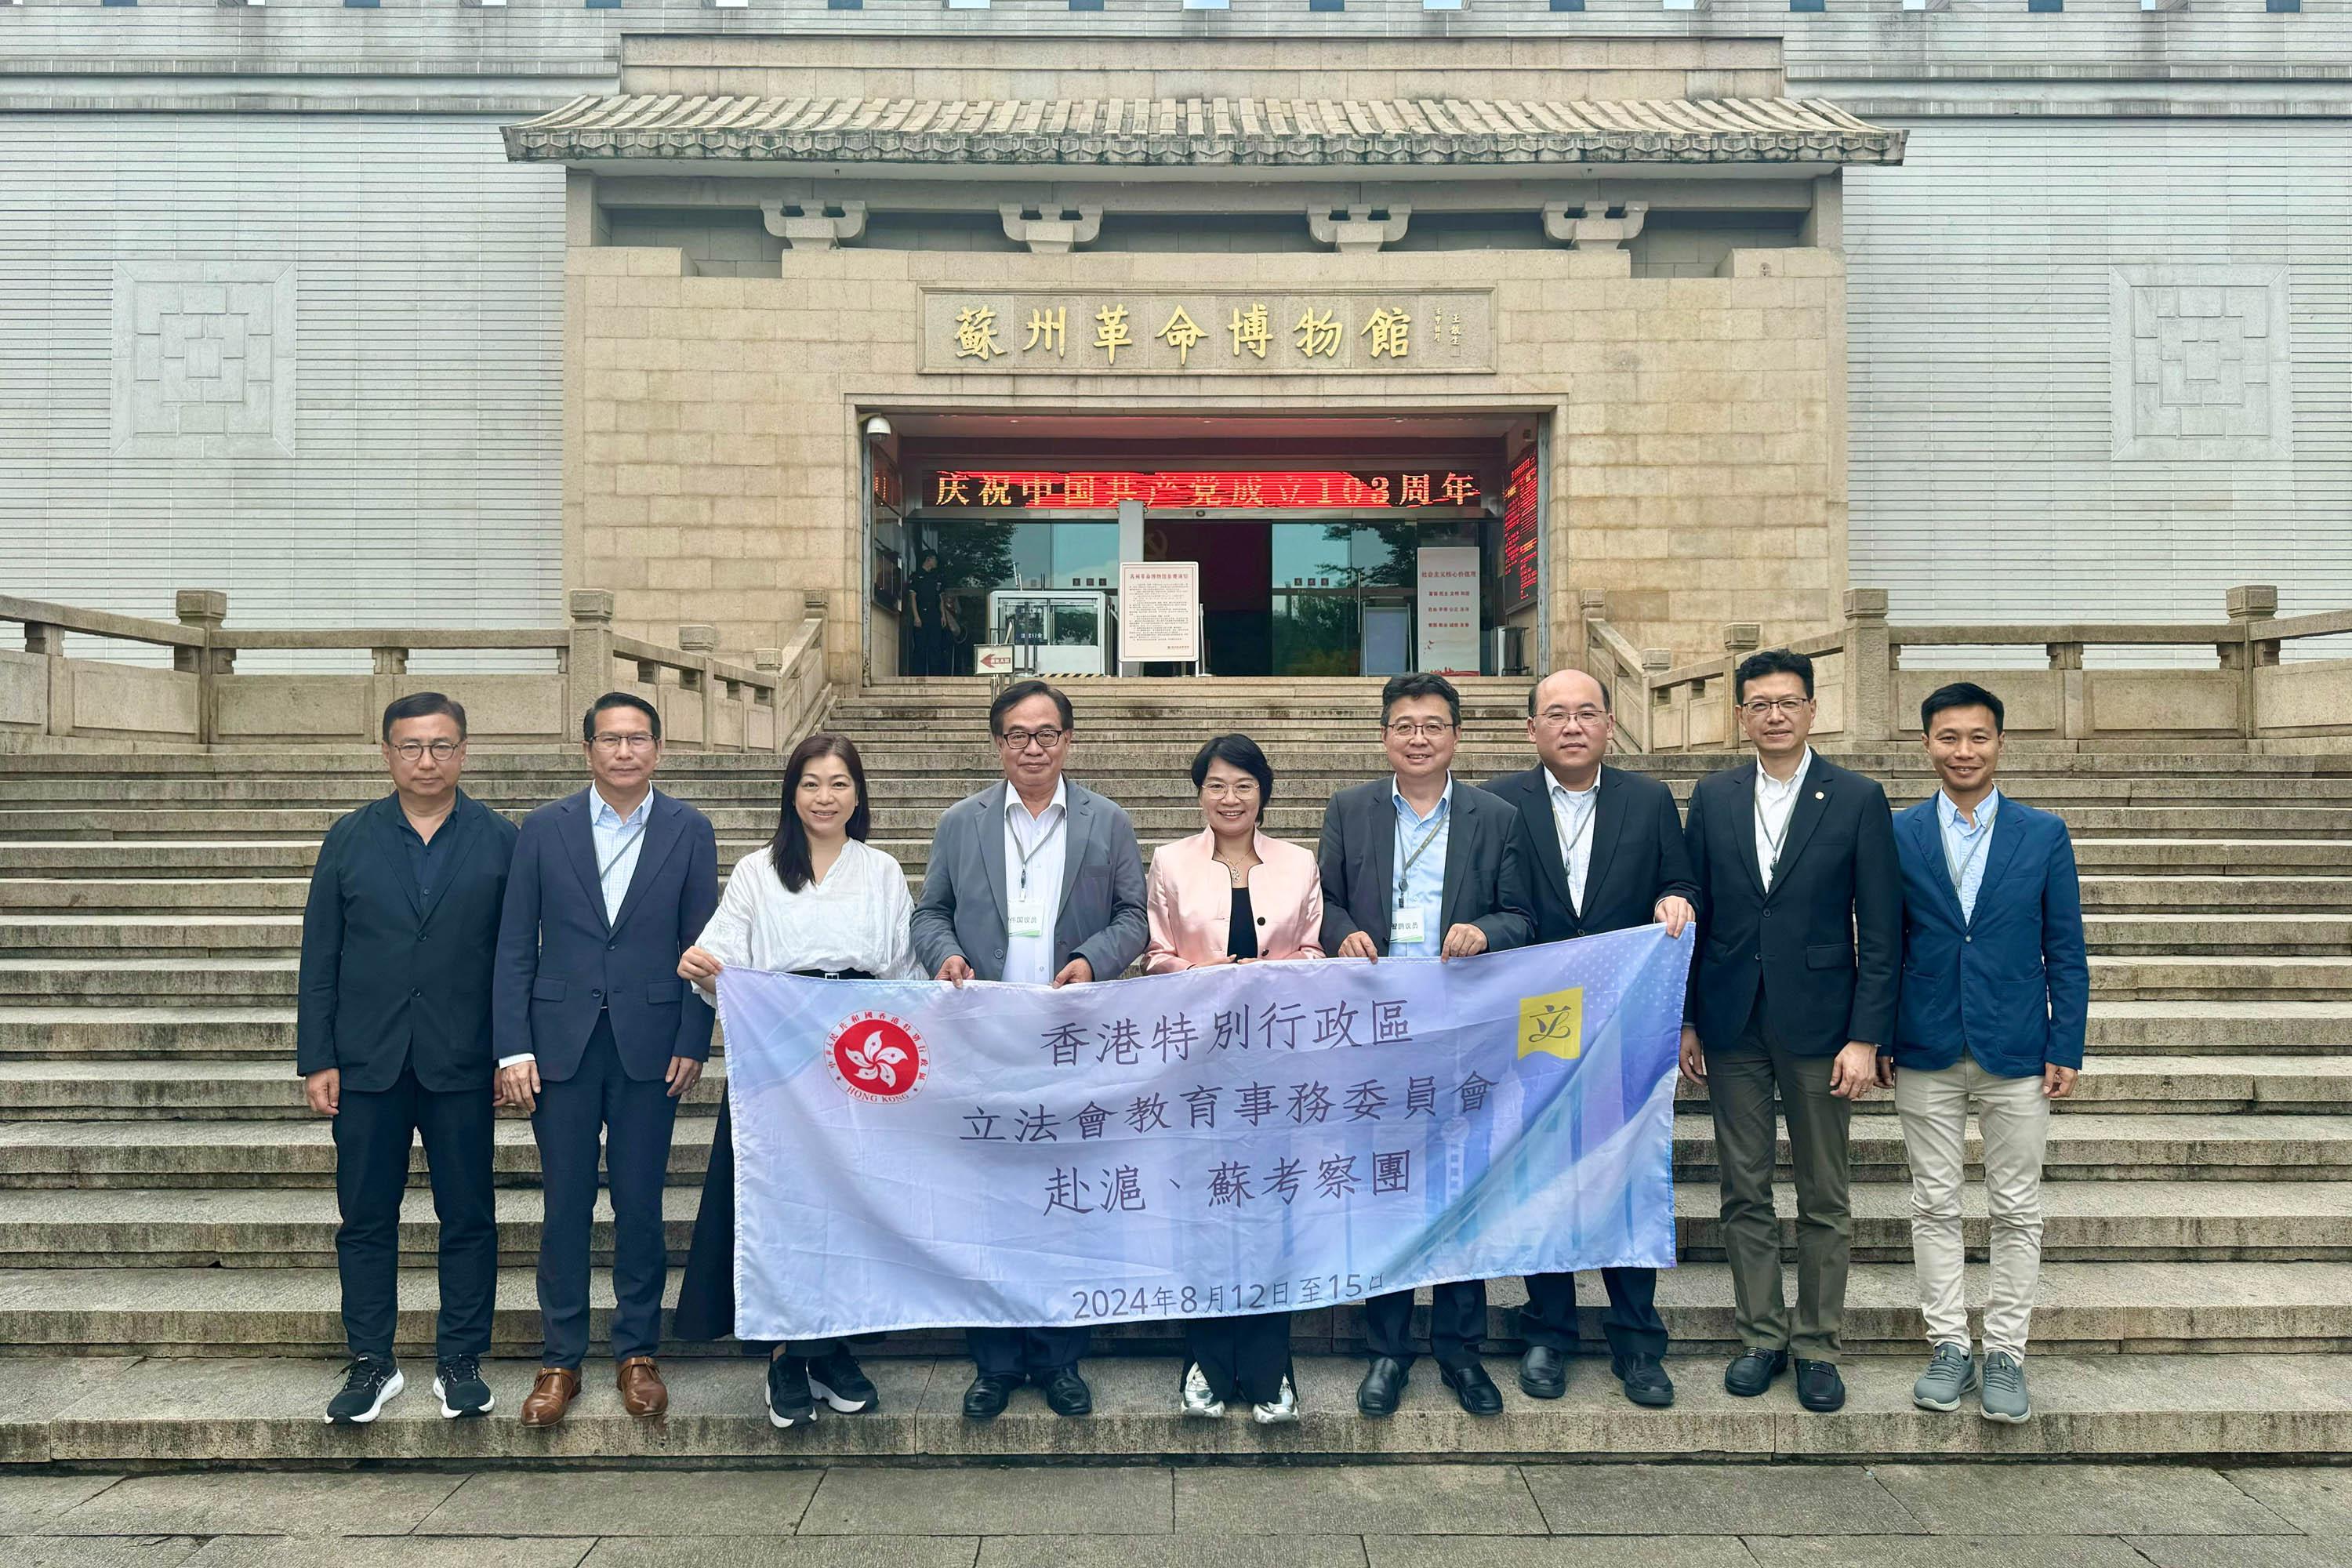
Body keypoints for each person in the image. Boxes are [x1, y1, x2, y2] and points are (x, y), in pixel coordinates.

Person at [910, 678, 1149, 1420]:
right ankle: (995, 1361)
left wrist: (1093, 961)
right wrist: (944, 957)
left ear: (1069, 741)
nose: (1034, 747)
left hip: (1070, 1038)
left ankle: (1060, 1357)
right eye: (1018, 734)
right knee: (990, 1199)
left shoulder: (1106, 822)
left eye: (1047, 734)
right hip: (984, 1038)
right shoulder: (962, 822)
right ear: (998, 744)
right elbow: (931, 913)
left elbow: (1134, 918)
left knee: (1063, 1197)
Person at [673, 733, 924, 1429]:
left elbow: (904, 972)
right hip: (778, 1059)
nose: (824, 797)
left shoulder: (881, 872)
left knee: (846, 1202)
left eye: (839, 783)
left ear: (858, 794)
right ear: (792, 793)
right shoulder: (759, 871)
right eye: (811, 783)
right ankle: (786, 1352)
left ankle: (835, 1346)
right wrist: (703, 967)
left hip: (856, 1058)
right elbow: (722, 957)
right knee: (779, 1202)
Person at [1680, 648, 1901, 1415]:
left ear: (1812, 709)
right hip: (1732, 1019)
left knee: (1823, 1191)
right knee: (1743, 1187)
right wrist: (1687, 1019)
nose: (1774, 714)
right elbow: (1694, 912)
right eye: (1759, 703)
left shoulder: (1856, 797)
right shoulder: (1712, 795)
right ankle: (1761, 1335)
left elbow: (1881, 927)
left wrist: (1866, 1036)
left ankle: (1816, 1344)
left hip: (1822, 1024)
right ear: (1741, 715)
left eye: (1788, 701)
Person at [494, 691, 719, 1428]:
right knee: (563, 1205)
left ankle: (636, 1353)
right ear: (587, 748)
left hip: (650, 1044)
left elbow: (702, 945)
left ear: (659, 747)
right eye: (611, 740)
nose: (625, 752)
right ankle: (559, 1360)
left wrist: (692, 1039)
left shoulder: (689, 829)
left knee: (641, 1203)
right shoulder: (545, 828)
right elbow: (512, 946)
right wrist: (513, 1045)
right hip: (558, 1044)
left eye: (639, 739)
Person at [1316, 670, 1537, 1418]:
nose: (1418, 737)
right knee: (1387, 1186)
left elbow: (1522, 915)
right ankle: (1387, 1350)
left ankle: (1460, 1350)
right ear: (1385, 735)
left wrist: (1489, 932)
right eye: (1404, 725)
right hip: (1378, 1029)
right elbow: (1326, 902)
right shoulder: (1349, 811)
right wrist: (1341, 931)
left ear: (1456, 736)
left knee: (1460, 1186)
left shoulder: (1496, 816)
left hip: (1462, 1030)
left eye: (1433, 725)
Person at [298, 693, 517, 1425]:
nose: (428, 761)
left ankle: (461, 1358)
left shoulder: (500, 840)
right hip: (367, 1062)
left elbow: (516, 959)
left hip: (462, 1061)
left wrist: (510, 1052)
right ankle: (371, 1360)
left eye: (443, 746)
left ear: (464, 750)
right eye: (412, 747)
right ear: (387, 752)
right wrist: (316, 1057)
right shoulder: (349, 838)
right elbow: (320, 955)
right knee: (365, 1217)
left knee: (469, 1215)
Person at [1483, 668, 1697, 1410]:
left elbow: (1685, 884)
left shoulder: (1648, 800)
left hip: (1622, 1021)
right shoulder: (1497, 802)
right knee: (1543, 1176)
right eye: (1555, 714)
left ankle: (1637, 1340)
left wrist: (1677, 900)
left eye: (1586, 713)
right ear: (1532, 728)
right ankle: (1549, 1329)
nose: (1571, 726)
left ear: (1610, 723)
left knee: (1624, 1172)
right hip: (1536, 1022)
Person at [1883, 682, 2086, 1425]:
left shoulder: (2042, 834)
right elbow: (1882, 943)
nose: (1962, 751)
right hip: (1925, 1041)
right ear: (1927, 744)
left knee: (2016, 1206)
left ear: (2000, 743)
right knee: (1933, 1201)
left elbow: (2065, 948)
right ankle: (1947, 1345)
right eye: (1947, 737)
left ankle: (2005, 1352)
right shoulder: (1899, 834)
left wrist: (2066, 1041)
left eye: (1977, 737)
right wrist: (1875, 1035)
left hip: (2017, 1047)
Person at [1145, 733, 1324, 1425]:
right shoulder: (1170, 862)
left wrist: (1268, 978)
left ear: (1263, 793)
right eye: (1216, 785)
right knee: (1206, 1210)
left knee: (1272, 1208)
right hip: (1196, 1064)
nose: (1229, 798)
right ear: (1200, 793)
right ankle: (1206, 1363)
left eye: (1243, 786)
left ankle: (1271, 1368)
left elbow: (1314, 950)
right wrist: (1207, 981)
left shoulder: (1299, 863)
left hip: (1277, 1066)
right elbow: (1154, 954)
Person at [906, 550, 947, 677]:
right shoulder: (916, 576)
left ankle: (935, 676)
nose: (936, 562)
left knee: (935, 646)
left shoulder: (937, 577)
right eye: (934, 559)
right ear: (928, 559)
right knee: (920, 646)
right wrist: (916, 617)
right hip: (922, 615)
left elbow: (940, 599)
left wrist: (943, 615)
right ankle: (919, 675)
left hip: (934, 615)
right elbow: (912, 598)